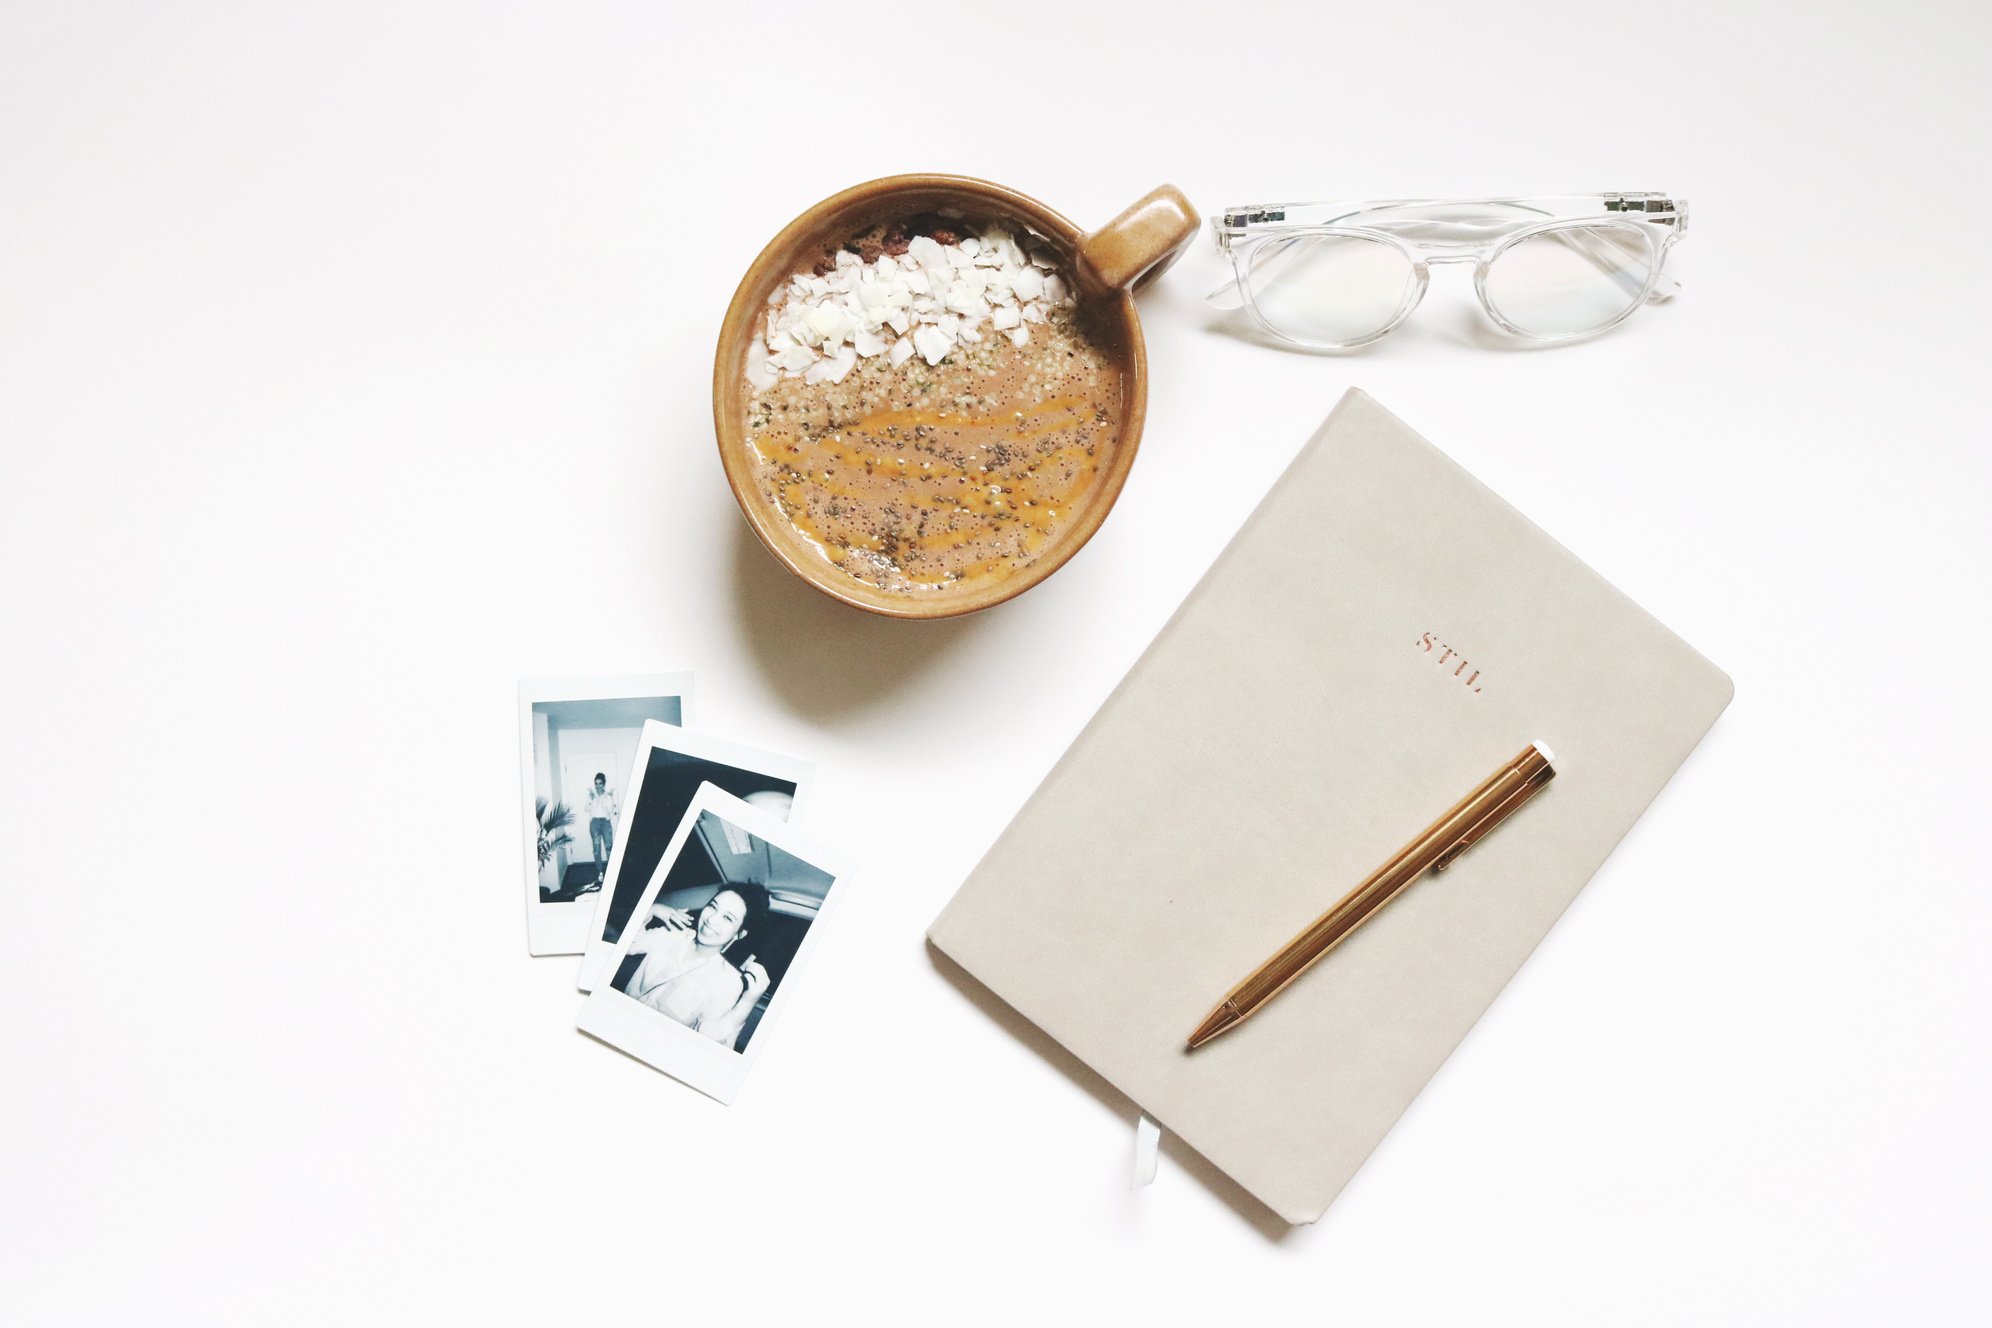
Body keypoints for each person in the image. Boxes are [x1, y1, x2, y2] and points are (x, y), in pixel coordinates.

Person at [616, 884, 772, 1048]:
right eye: (713, 907)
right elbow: (626, 946)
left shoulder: (729, 981)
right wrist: (651, 909)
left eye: (728, 918)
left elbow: (708, 1037)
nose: (711, 919)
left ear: (740, 934)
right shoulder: (671, 934)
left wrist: (748, 1001)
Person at [583, 773, 618, 886]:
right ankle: (600, 872)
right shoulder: (591, 795)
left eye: (600, 783)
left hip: (605, 823)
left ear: (604, 784)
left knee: (609, 847)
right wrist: (592, 799)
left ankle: (612, 872)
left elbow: (611, 810)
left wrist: (608, 798)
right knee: (597, 849)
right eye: (596, 783)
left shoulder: (608, 795)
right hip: (594, 823)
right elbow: (586, 809)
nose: (598, 786)